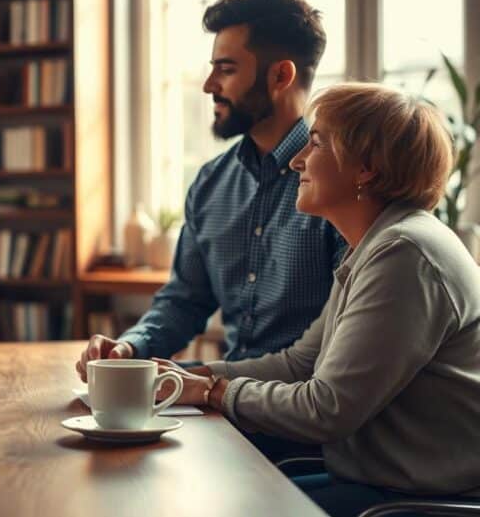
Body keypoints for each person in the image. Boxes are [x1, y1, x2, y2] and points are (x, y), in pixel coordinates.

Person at [163, 83, 480, 516]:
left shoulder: (405, 254)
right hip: (376, 481)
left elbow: (325, 409)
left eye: (315, 143)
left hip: (416, 500)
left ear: (366, 167)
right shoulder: (374, 245)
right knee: (215, 489)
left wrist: (213, 392)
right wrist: (190, 375)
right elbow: (300, 363)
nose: (296, 161)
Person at [77, 0, 345, 379]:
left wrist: (202, 382)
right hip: (226, 405)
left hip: (300, 417)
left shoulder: (340, 187)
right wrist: (131, 345)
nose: (208, 85)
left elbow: (340, 345)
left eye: (226, 69)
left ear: (280, 76)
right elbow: (185, 300)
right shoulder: (210, 183)